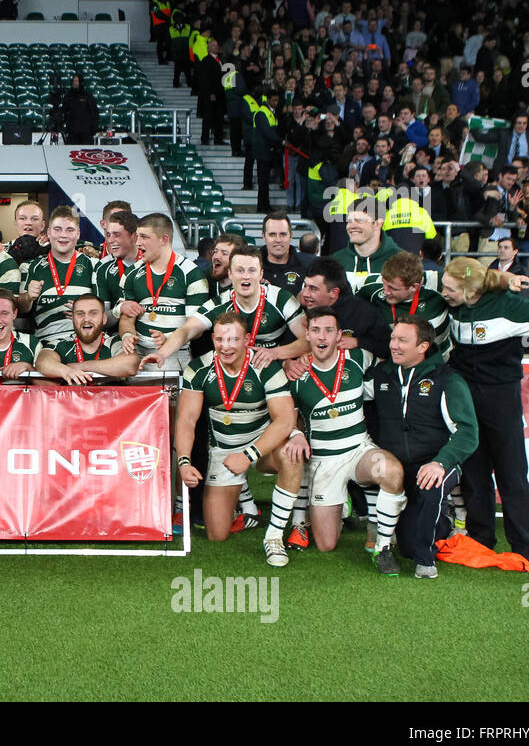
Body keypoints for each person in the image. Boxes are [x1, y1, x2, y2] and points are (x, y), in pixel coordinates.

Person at [442, 257, 529, 564]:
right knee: (475, 473)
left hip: (501, 398)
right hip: (466, 399)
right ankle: (481, 538)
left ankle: (524, 548)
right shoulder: (453, 303)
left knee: (511, 474)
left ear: (470, 291)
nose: (444, 292)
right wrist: (504, 277)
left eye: (450, 288)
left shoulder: (510, 307)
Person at [281, 307, 409, 575]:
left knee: (392, 470)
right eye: (315, 330)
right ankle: (346, 500)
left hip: (358, 450)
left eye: (329, 330)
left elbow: (389, 361)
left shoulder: (358, 358)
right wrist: (285, 362)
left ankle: (382, 546)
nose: (322, 336)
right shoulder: (295, 373)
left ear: (339, 335)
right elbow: (286, 415)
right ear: (307, 334)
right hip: (323, 461)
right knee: (326, 544)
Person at [173, 313, 304, 564]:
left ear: (247, 339)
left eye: (233, 339)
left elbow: (285, 420)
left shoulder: (265, 365)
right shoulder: (199, 367)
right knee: (217, 534)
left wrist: (249, 455)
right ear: (213, 339)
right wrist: (184, 462)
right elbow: (187, 420)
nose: (226, 346)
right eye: (220, 339)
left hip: (263, 444)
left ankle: (274, 537)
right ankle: (244, 501)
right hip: (223, 450)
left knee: (291, 455)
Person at [368, 316, 479, 578]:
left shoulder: (448, 380)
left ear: (423, 347)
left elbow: (468, 431)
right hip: (397, 466)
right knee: (406, 546)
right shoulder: (381, 376)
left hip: (434, 462)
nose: (393, 345)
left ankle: (426, 560)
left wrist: (441, 462)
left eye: (402, 340)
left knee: (430, 490)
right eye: (393, 338)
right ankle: (437, 525)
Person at [144, 244, 307, 369]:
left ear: (261, 274)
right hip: (231, 368)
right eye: (240, 270)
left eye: (252, 270)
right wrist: (162, 354)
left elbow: (307, 341)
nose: (246, 276)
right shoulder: (219, 303)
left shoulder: (282, 299)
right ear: (230, 274)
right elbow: (187, 330)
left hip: (270, 366)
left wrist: (275, 353)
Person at [120, 212, 209, 371]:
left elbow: (196, 328)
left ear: (164, 239)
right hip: (137, 353)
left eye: (144, 237)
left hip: (175, 354)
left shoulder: (192, 274)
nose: (138, 242)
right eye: (137, 236)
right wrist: (127, 336)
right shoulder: (131, 274)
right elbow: (126, 319)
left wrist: (168, 338)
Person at [18, 206, 98, 345]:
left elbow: (105, 313)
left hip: (85, 343)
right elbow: (22, 308)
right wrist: (28, 297)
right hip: (46, 343)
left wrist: (85, 312)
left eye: (70, 230)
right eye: (57, 229)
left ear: (78, 234)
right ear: (48, 232)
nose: (63, 235)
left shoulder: (94, 265)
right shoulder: (33, 266)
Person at [357, 252, 450, 357]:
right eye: (384, 283)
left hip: (436, 361)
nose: (386, 291)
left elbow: (467, 276)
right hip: (390, 360)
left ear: (414, 287)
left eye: (393, 289)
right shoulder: (371, 287)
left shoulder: (440, 288)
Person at [34, 294, 141, 383]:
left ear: (104, 319)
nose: (86, 319)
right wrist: (67, 371)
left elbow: (130, 365)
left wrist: (80, 367)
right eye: (80, 314)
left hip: (110, 407)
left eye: (93, 313)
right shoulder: (62, 344)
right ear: (73, 319)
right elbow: (43, 362)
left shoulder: (114, 342)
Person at [94, 209, 143, 320]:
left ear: (134, 236)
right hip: (117, 334)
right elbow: (103, 320)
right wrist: (119, 309)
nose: (110, 240)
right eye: (108, 234)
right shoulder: (103, 268)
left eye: (117, 235)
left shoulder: (151, 262)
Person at [261, 212, 313, 295]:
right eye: (272, 234)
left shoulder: (309, 266)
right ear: (264, 236)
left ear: (290, 235)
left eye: (283, 234)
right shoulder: (251, 266)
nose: (278, 240)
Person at [61, 75, 100, 145]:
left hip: (86, 131)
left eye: (77, 81)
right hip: (72, 131)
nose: (75, 83)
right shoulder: (68, 96)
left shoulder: (87, 96)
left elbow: (94, 112)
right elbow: (64, 111)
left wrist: (94, 127)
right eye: (74, 81)